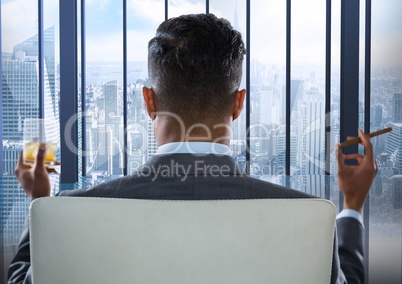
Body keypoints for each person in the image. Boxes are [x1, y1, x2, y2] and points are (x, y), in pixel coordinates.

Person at [8, 13, 377, 284]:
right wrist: (351, 208)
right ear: (239, 103)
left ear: (149, 101)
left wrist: (39, 202)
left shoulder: (73, 216)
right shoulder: (307, 217)